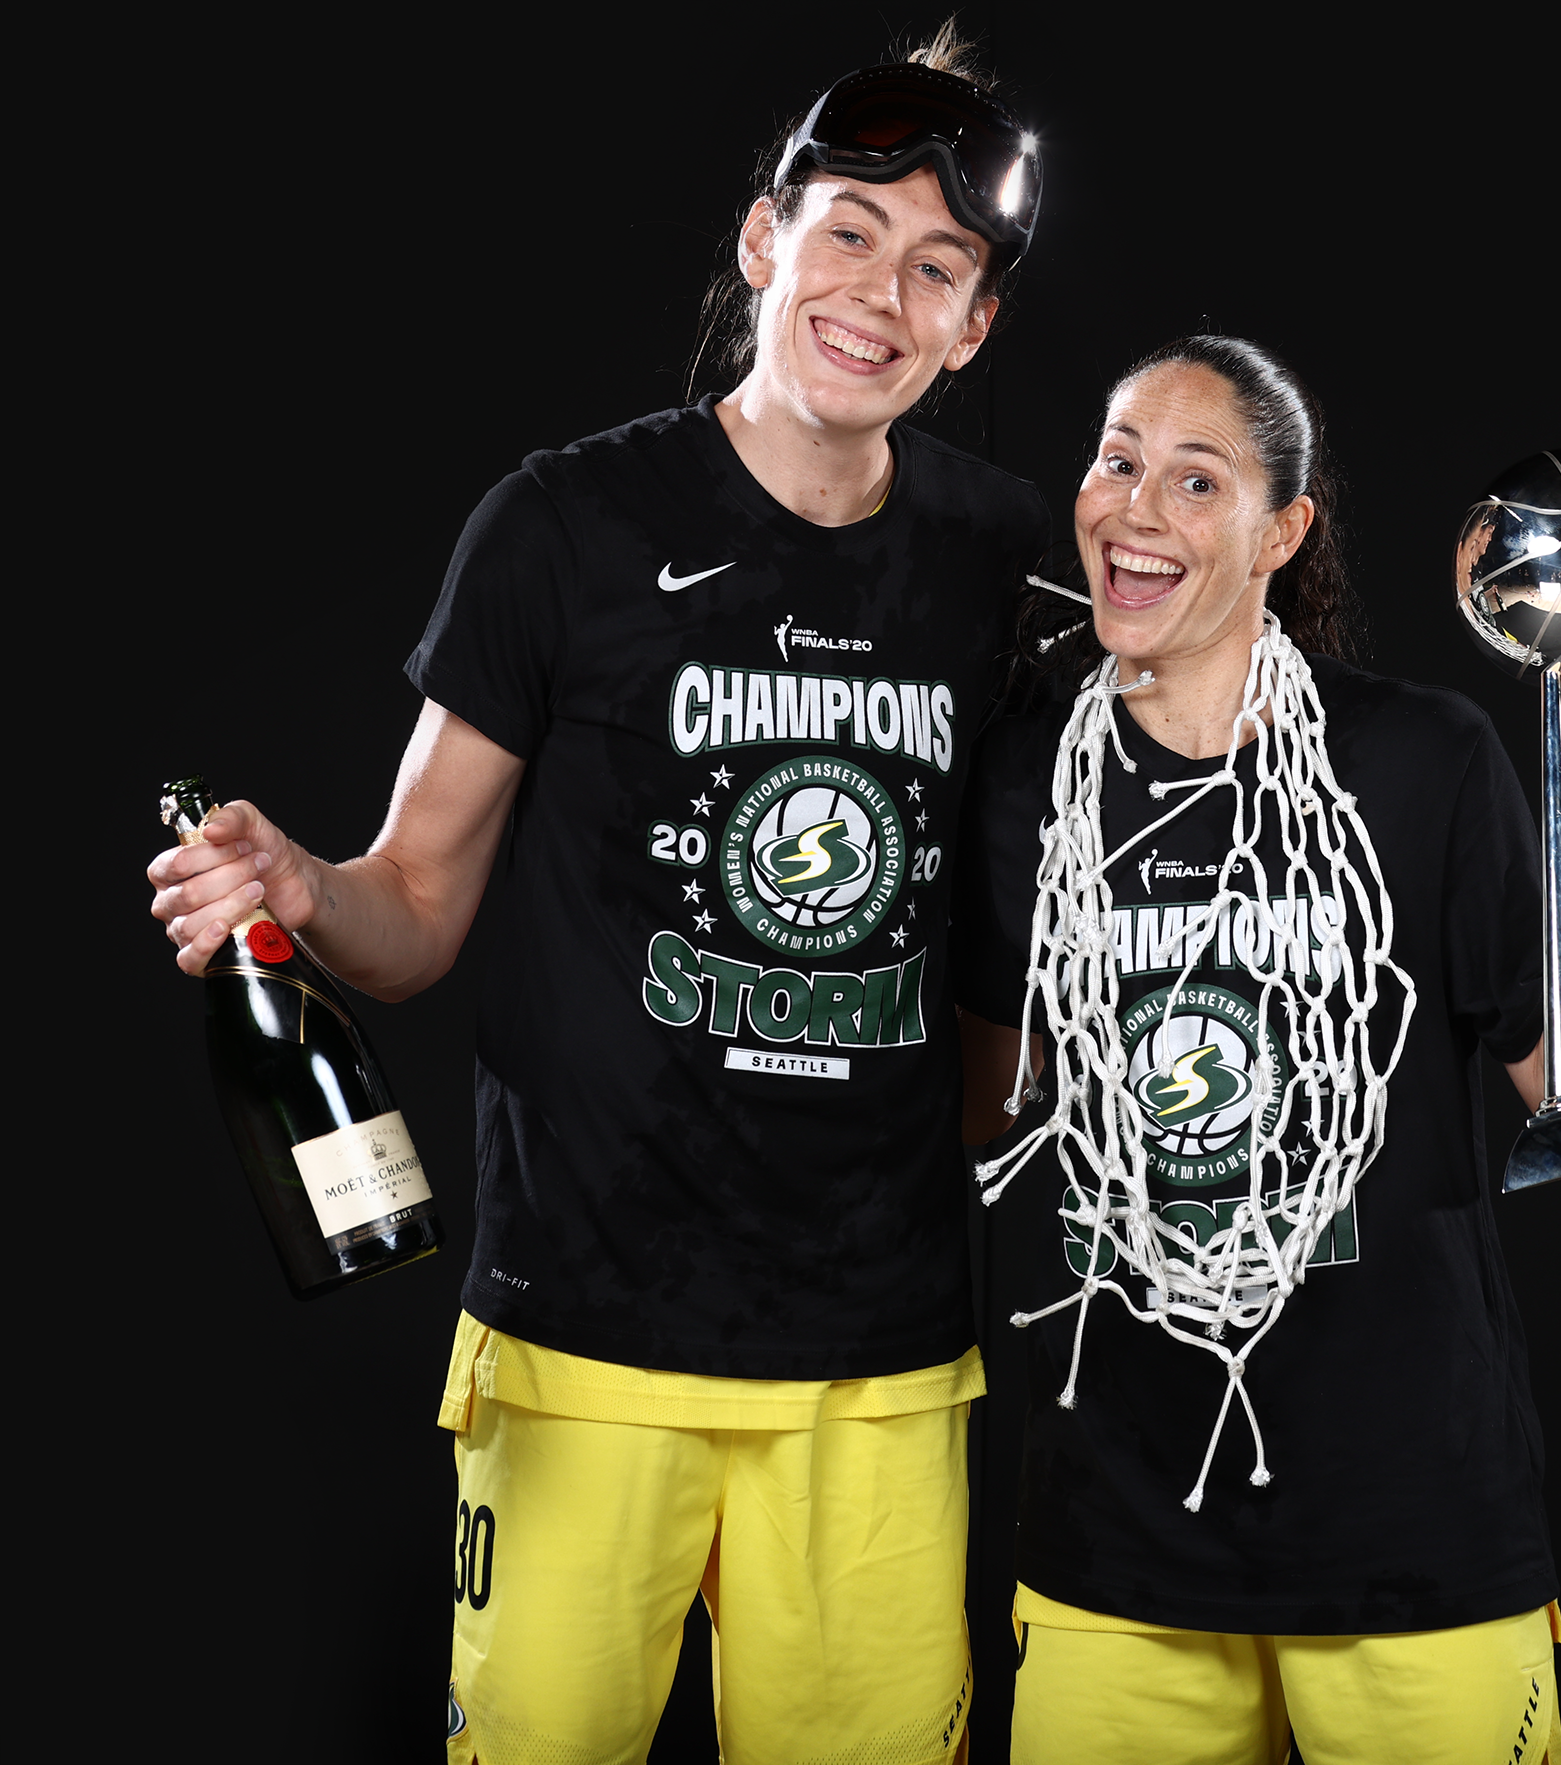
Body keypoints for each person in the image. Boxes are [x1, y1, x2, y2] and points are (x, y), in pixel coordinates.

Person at [147, 31, 1048, 1765]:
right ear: (762, 240)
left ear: (976, 326)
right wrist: (298, 884)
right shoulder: (560, 528)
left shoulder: (1007, 558)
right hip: (583, 1339)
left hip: (876, 1359)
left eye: (939, 267)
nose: (881, 293)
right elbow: (409, 908)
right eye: (849, 231)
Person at [954, 335, 1561, 1764]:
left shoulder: (1419, 759)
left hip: (1413, 1520)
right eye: (1118, 461)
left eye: (1197, 480)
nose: (1136, 507)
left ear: (1284, 531)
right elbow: (988, 1107)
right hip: (1114, 1537)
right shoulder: (1024, 781)